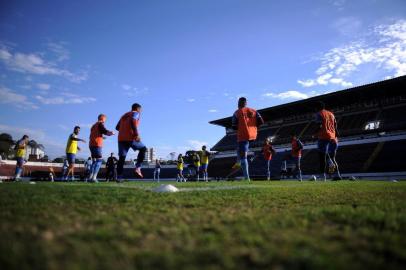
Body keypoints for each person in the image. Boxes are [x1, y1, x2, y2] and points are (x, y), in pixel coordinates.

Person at [231, 97, 264, 181]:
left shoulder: (237, 112)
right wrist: (251, 127)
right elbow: (261, 121)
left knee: (243, 156)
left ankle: (247, 178)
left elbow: (234, 126)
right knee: (239, 149)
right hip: (253, 135)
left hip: (243, 135)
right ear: (246, 103)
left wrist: (243, 127)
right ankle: (238, 162)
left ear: (239, 103)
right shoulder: (254, 111)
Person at [116, 103, 147, 181]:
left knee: (121, 159)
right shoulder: (135, 113)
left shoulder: (124, 115)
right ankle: (138, 168)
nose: (140, 112)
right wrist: (136, 134)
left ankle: (119, 178)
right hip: (131, 137)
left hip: (121, 139)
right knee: (143, 149)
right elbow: (133, 120)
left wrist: (124, 130)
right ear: (138, 109)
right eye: (140, 110)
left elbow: (117, 127)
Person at [314, 101, 341, 181]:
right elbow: (335, 125)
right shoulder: (331, 114)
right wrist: (336, 134)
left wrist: (314, 133)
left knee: (322, 157)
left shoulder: (319, 114)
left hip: (324, 136)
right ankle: (337, 175)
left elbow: (320, 125)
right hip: (333, 137)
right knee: (333, 158)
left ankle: (323, 176)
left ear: (318, 107)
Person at [88, 114, 115, 182]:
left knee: (94, 161)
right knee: (99, 161)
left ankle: (90, 178)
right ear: (103, 118)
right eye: (105, 119)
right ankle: (94, 178)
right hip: (97, 144)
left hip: (91, 144)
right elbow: (104, 131)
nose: (105, 121)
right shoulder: (100, 124)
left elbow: (93, 135)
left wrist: (101, 137)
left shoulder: (93, 126)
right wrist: (111, 133)